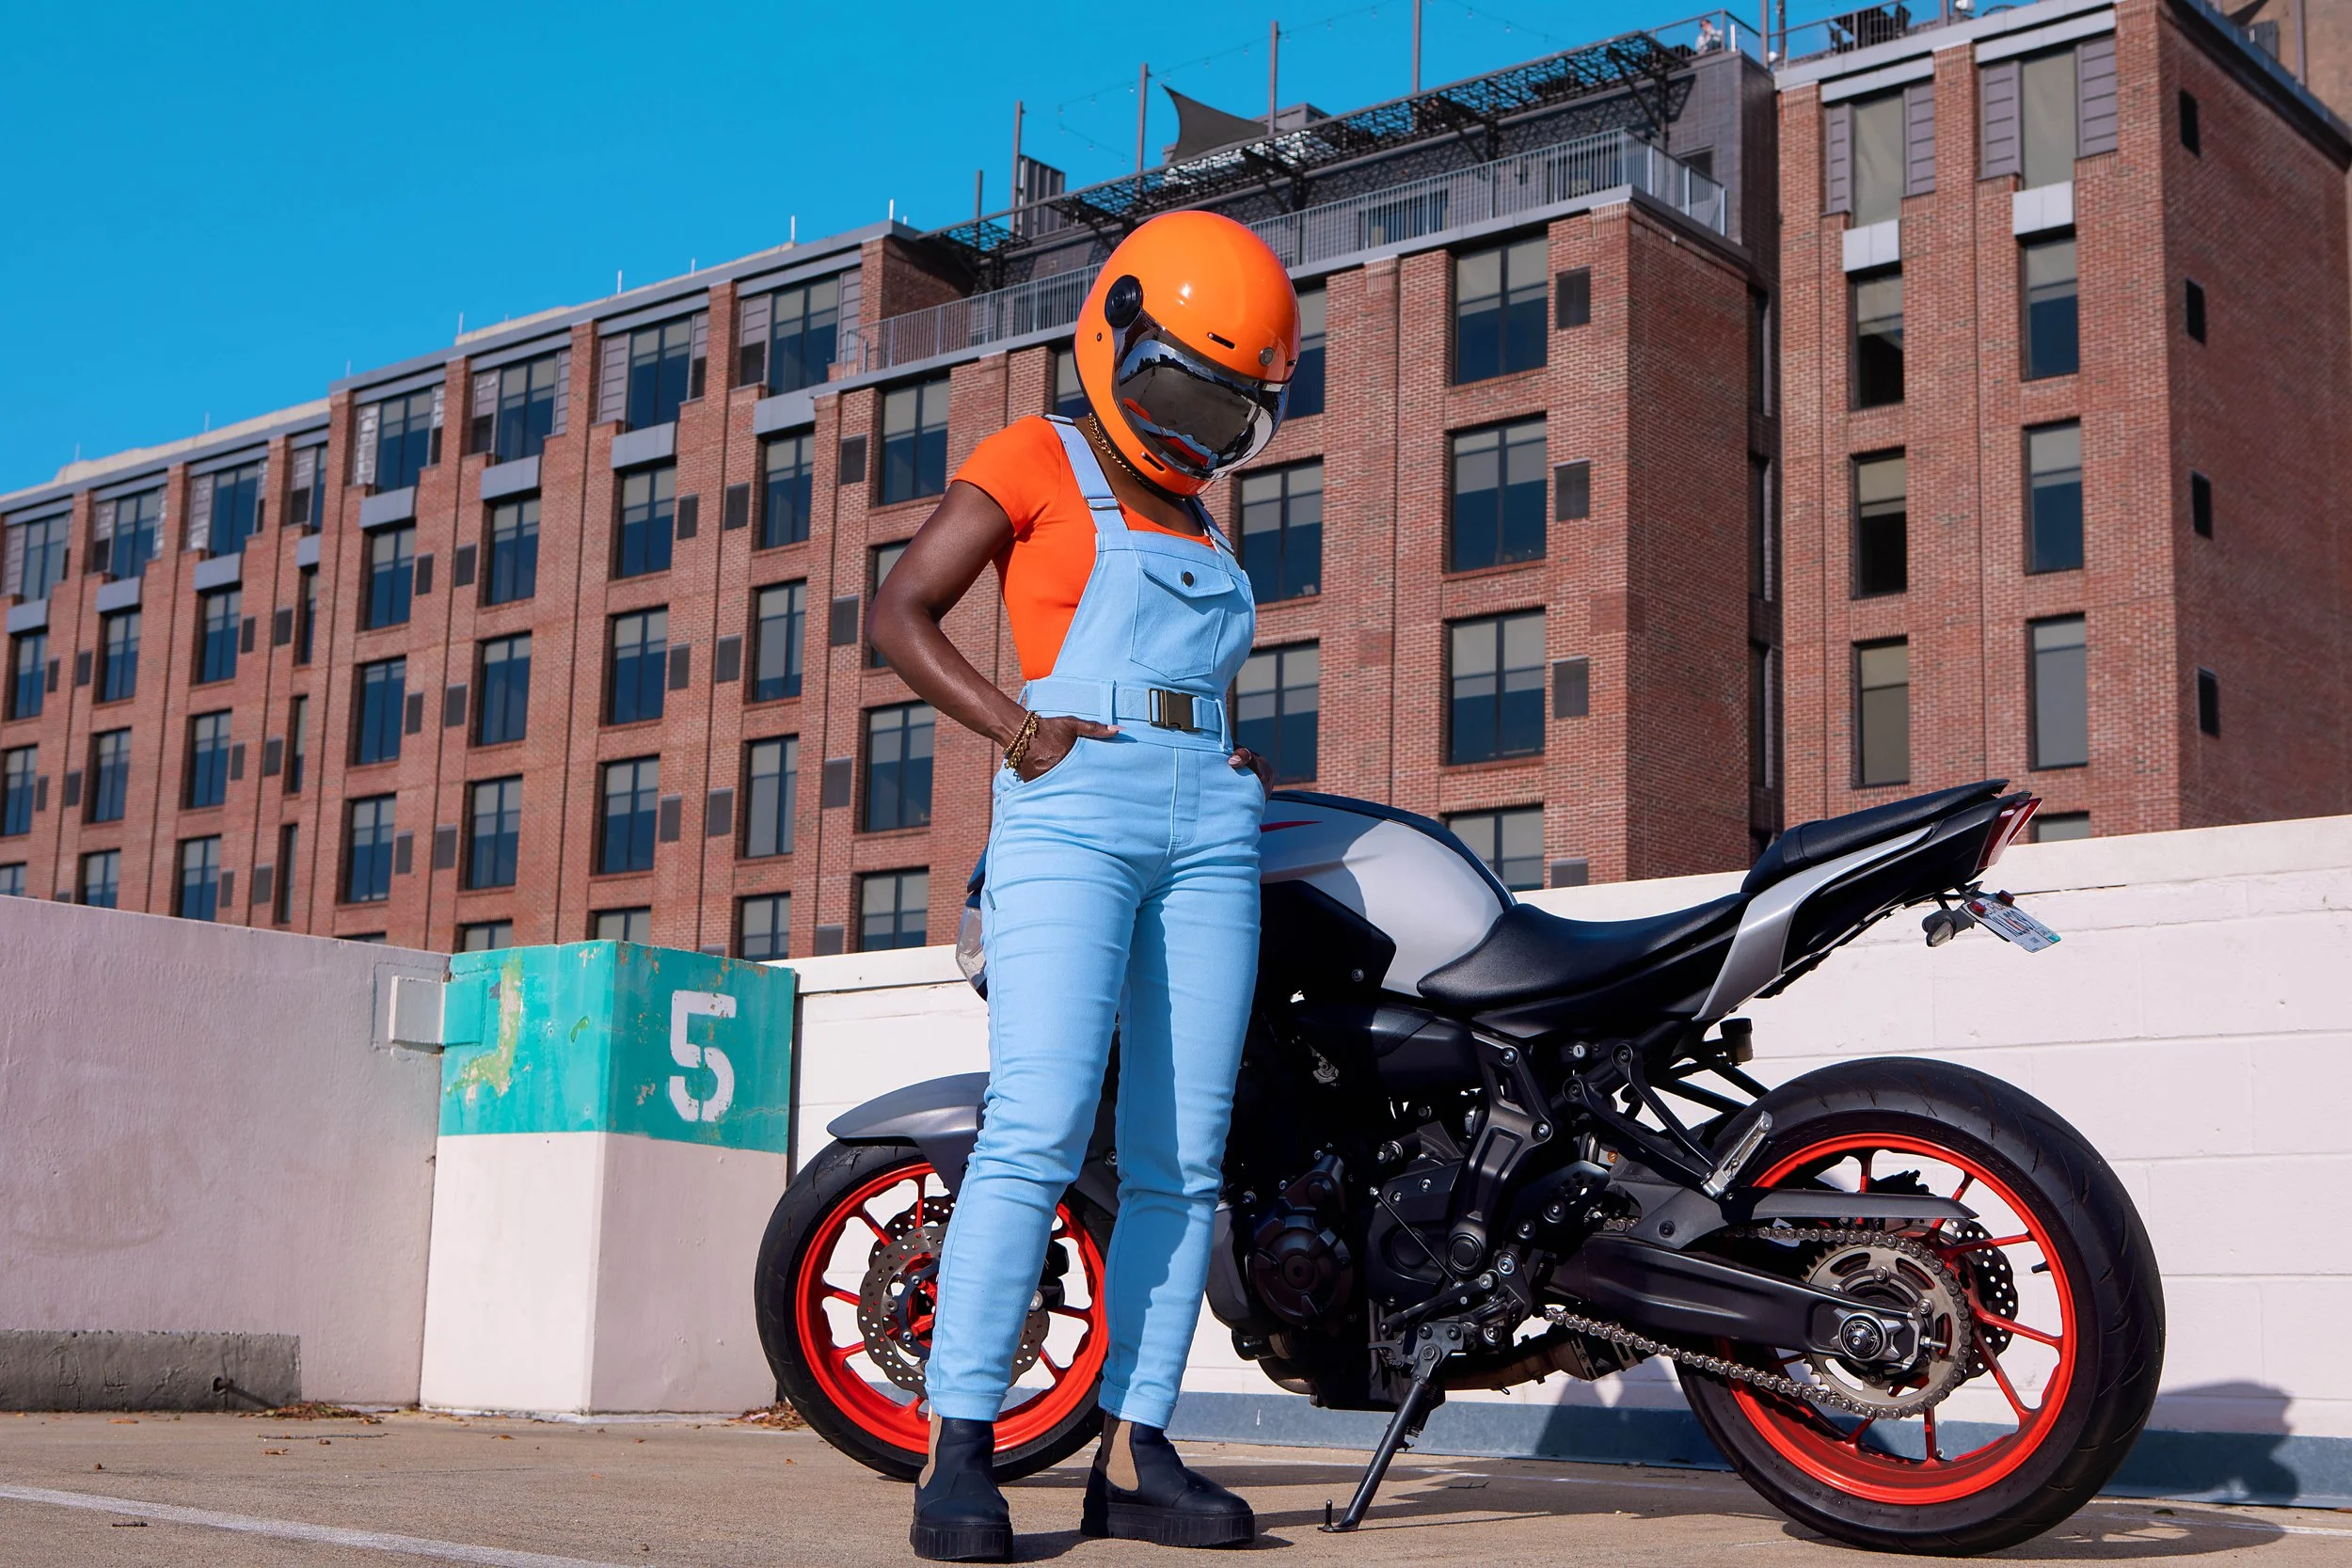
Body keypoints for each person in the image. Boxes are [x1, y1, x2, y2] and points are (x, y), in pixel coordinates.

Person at [866, 210, 1299, 1560]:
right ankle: (962, 1447)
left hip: (1209, 818)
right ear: (1117, 335)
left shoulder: (1206, 518)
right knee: (1042, 1120)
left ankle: (1139, 1444)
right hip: (1071, 804)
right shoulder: (1034, 455)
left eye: (1228, 411)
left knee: (1184, 1155)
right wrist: (1017, 728)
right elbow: (900, 612)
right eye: (1180, 389)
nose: (1194, 430)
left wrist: (1218, 748)